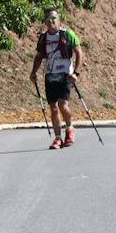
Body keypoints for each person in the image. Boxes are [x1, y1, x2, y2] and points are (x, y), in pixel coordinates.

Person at [29, 9, 83, 149]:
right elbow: (39, 56)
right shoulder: (44, 38)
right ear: (45, 23)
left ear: (59, 20)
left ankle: (70, 128)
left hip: (65, 73)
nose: (51, 22)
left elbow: (79, 52)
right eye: (48, 20)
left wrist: (76, 73)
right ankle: (58, 138)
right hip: (50, 74)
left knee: (62, 104)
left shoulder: (67, 34)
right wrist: (33, 72)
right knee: (53, 108)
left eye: (53, 19)